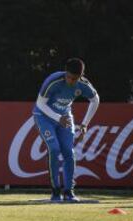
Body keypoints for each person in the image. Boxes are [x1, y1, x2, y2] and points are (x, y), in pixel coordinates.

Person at [33, 58, 99, 202]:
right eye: (68, 77)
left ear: (80, 77)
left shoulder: (83, 84)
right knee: (54, 149)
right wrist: (57, 118)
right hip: (44, 116)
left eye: (74, 79)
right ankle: (55, 191)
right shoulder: (53, 81)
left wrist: (84, 124)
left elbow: (95, 100)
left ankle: (69, 192)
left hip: (64, 117)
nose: (70, 81)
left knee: (69, 152)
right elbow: (40, 103)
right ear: (65, 72)